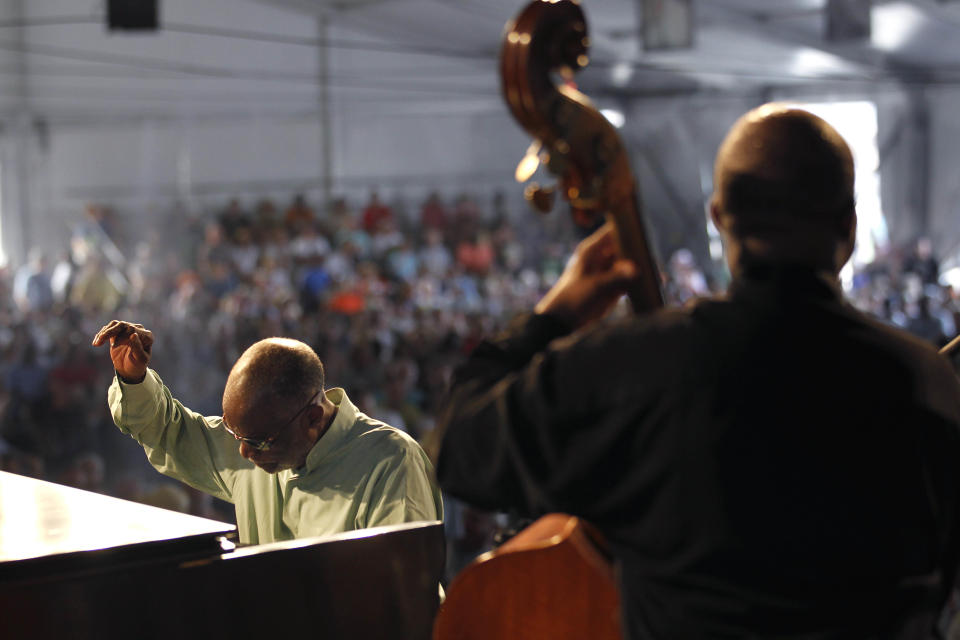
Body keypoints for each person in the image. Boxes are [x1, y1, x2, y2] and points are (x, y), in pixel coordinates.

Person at [434, 104, 960, 638]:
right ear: (848, 227)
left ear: (719, 216)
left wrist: (554, 317)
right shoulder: (930, 387)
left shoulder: (639, 368)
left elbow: (462, 447)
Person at [92, 320, 442, 544]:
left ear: (314, 418)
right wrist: (134, 380)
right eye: (234, 434)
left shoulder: (391, 463)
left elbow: (401, 597)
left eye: (258, 441)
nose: (243, 453)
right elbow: (169, 432)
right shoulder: (254, 449)